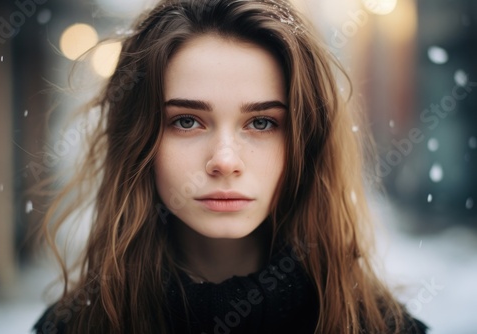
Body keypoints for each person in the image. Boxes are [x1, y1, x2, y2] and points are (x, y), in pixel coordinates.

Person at [33, 0, 429, 333]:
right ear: (138, 141)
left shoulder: (378, 326)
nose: (224, 161)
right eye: (186, 121)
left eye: (262, 123)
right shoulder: (75, 325)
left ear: (306, 142)